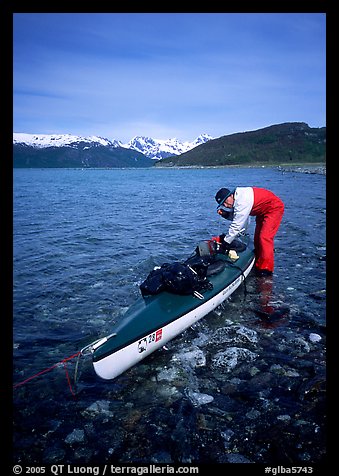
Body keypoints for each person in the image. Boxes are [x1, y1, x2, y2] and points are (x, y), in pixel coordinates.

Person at [215, 187, 284, 276]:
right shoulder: (237, 201)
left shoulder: (242, 200)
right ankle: (259, 262)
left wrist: (226, 242)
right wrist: (226, 214)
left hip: (274, 208)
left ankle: (266, 270)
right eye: (223, 204)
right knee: (257, 238)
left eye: (225, 201)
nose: (226, 205)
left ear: (231, 195)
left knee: (264, 238)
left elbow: (237, 224)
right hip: (262, 211)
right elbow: (239, 216)